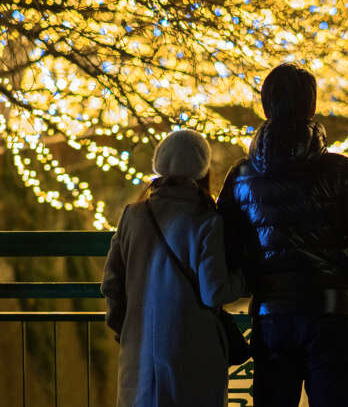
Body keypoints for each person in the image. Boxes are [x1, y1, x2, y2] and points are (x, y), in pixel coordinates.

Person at [217, 63, 348, 407]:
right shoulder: (338, 169)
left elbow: (224, 245)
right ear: (311, 107)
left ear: (266, 107)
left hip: (272, 313)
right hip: (330, 311)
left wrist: (255, 278)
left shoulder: (242, 174)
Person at [102, 129, 246, 407]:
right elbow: (213, 292)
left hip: (140, 351)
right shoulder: (206, 220)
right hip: (192, 351)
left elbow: (112, 284)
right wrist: (241, 280)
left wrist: (128, 330)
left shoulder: (133, 216)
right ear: (201, 170)